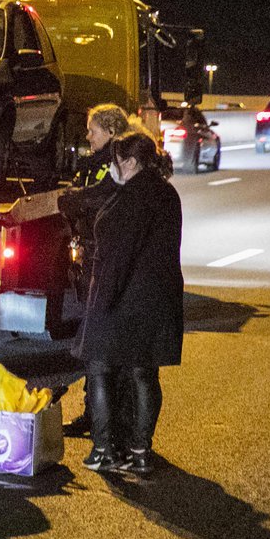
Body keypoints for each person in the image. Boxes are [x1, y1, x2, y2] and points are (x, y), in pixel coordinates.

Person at [75, 130, 183, 476]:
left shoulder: (131, 199)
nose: (112, 169)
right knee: (144, 372)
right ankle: (140, 451)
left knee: (100, 368)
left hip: (123, 298)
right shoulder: (166, 193)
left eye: (116, 161)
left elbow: (118, 257)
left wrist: (99, 306)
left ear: (131, 162)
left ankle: (105, 449)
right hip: (158, 299)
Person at [57, 103, 132, 437]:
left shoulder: (118, 167)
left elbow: (96, 200)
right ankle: (95, 414)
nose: (87, 136)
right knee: (91, 337)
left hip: (105, 260)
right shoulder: (92, 165)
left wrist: (75, 199)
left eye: (93, 129)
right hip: (89, 258)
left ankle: (110, 420)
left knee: (102, 341)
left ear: (111, 132)